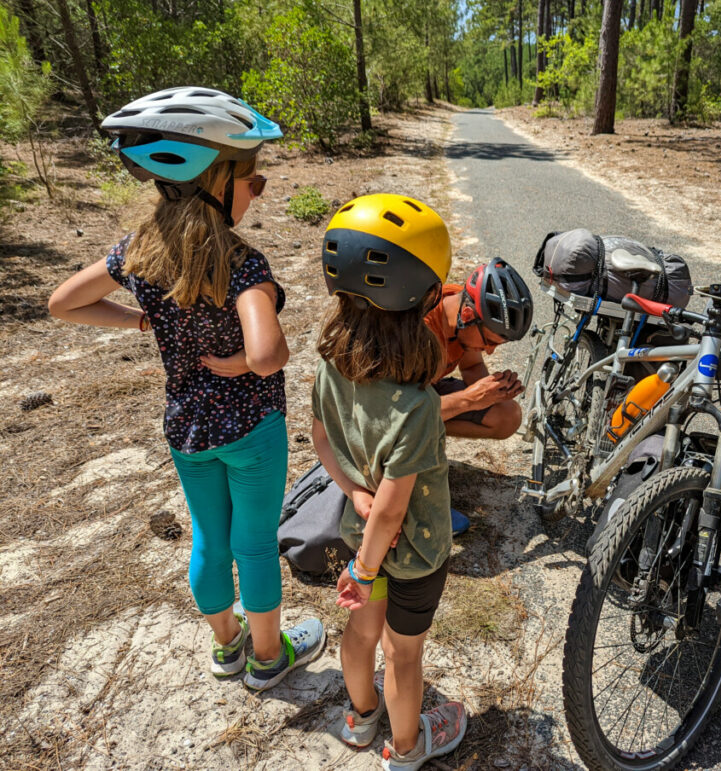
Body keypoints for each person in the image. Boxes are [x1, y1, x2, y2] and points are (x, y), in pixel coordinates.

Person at [48, 87, 323, 691]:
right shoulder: (242, 263)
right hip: (251, 429)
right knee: (253, 542)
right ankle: (269, 658)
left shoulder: (139, 252)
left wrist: (140, 318)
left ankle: (227, 647)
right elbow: (269, 354)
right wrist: (250, 361)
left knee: (207, 537)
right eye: (255, 180)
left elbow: (64, 302)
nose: (258, 192)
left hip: (188, 430)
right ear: (218, 180)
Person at [311, 193, 467, 769]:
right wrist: (366, 566)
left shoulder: (329, 368)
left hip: (359, 534)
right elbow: (395, 510)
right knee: (403, 654)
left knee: (360, 631)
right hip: (412, 553)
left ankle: (359, 718)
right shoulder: (417, 404)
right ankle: (406, 748)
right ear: (425, 301)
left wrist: (353, 490)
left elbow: (322, 439)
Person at [423, 258, 534, 441]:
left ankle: (427, 431)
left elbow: (471, 367)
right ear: (467, 316)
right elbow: (405, 413)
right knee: (412, 422)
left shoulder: (462, 310)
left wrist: (492, 392)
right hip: (396, 408)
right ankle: (416, 435)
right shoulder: (420, 329)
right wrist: (470, 399)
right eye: (489, 341)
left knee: (508, 415)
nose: (489, 351)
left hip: (425, 393)